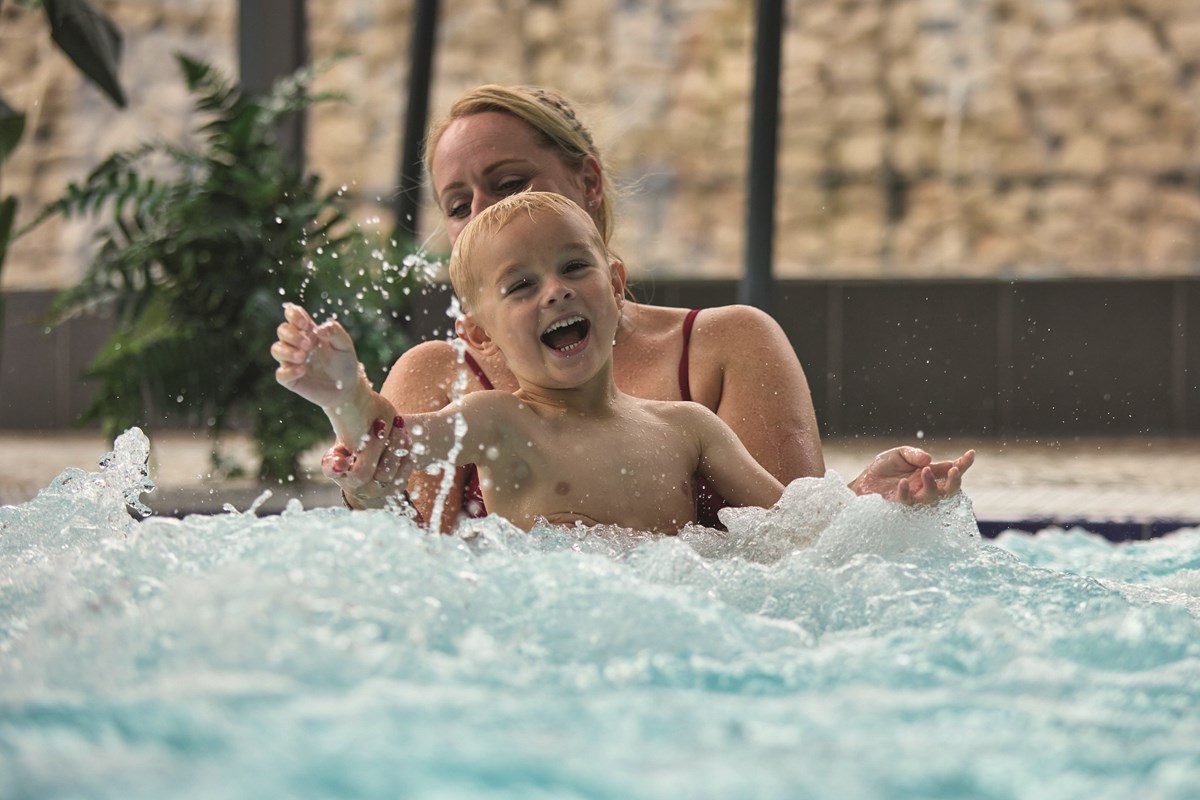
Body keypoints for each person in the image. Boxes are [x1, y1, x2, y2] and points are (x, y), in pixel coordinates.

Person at [320, 84, 973, 531]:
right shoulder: (448, 385)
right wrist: (344, 409)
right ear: (473, 324)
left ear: (588, 182)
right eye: (459, 205)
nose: (491, 216)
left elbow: (794, 551)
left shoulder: (719, 363)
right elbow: (401, 558)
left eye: (512, 184)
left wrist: (871, 509)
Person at [273, 192, 786, 533]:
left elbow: (796, 524)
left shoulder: (689, 428)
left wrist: (863, 503)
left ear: (614, 284)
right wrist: (346, 395)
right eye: (521, 286)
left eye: (574, 267)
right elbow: (392, 446)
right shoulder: (498, 422)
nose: (556, 291)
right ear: (479, 334)